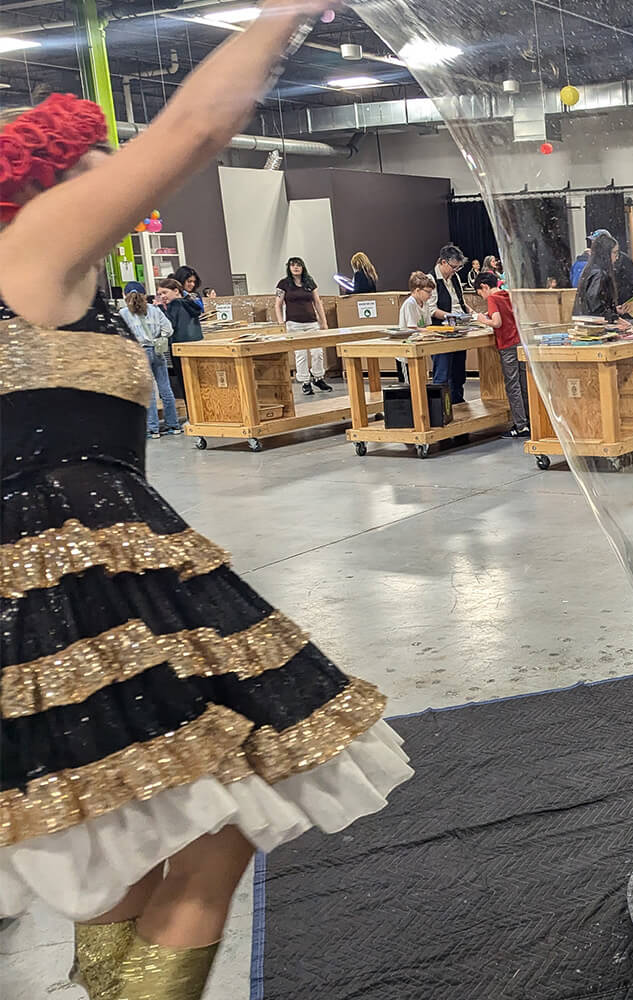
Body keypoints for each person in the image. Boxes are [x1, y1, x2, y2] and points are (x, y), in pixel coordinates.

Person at [0, 11, 412, 1000]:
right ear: (47, 180)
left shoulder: (70, 276)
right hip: (62, 581)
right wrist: (279, 16)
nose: (120, 178)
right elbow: (191, 131)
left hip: (102, 577)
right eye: (98, 162)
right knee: (217, 823)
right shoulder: (33, 248)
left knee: (126, 840)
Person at [119, 280, 181, 437]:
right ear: (145, 295)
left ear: (124, 295)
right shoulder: (154, 310)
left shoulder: (123, 313)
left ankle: (152, 428)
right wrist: (160, 338)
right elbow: (168, 329)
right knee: (165, 388)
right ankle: (174, 425)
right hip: (158, 351)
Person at [475, 270, 530, 438]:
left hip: (507, 345)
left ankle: (520, 426)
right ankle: (530, 420)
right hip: (519, 342)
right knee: (524, 384)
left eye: (480, 294)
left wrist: (483, 320)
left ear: (484, 287)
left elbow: (497, 322)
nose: (482, 298)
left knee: (512, 386)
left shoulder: (492, 298)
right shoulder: (506, 294)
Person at [275, 256, 332, 395]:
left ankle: (318, 377)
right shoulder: (283, 284)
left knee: (317, 352)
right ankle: (305, 382)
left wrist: (323, 322)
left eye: (298, 265)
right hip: (293, 324)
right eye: (293, 265)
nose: (296, 267)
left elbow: (317, 302)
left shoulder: (309, 282)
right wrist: (281, 323)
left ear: (303, 267)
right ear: (289, 268)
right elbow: (278, 304)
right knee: (301, 354)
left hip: (312, 323)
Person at [429, 244, 471, 403]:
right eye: (453, 267)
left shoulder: (455, 277)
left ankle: (458, 404)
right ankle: (441, 410)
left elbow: (461, 301)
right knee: (442, 373)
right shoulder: (431, 279)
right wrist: (452, 316)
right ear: (443, 262)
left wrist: (471, 313)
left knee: (459, 373)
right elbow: (431, 310)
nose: (455, 271)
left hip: (459, 329)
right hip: (441, 332)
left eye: (458, 268)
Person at [161, 275, 203, 346]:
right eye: (159, 294)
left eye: (164, 292)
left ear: (176, 291)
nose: (162, 296)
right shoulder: (189, 303)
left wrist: (160, 308)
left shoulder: (175, 304)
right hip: (195, 343)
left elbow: (169, 326)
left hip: (179, 346)